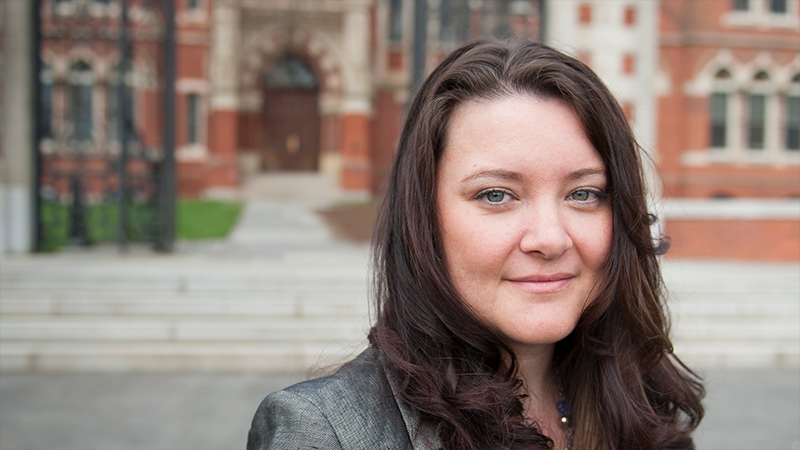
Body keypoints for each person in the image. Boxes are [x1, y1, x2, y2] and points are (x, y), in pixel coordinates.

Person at [247, 38, 704, 450]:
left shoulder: (639, 403)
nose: (549, 238)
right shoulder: (324, 433)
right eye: (496, 195)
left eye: (583, 194)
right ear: (423, 216)